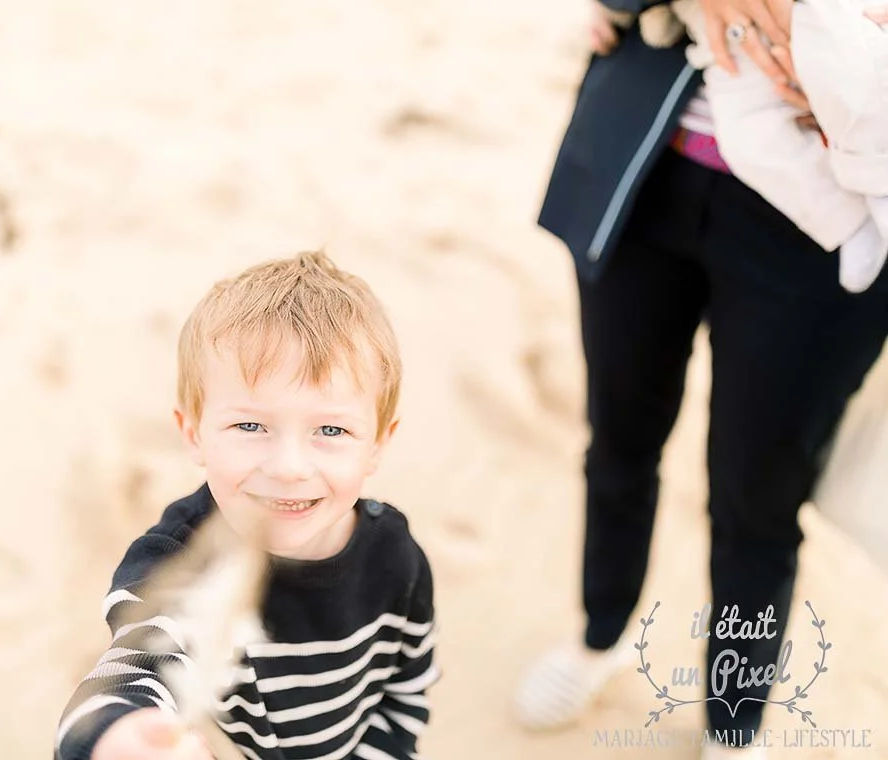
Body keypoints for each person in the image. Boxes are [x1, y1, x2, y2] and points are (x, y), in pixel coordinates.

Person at [513, 0, 888, 757]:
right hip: (646, 164)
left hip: (832, 216)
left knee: (760, 498)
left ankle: (734, 720)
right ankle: (601, 635)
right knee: (619, 440)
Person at [54, 251, 439, 760]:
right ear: (194, 433)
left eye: (330, 429)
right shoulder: (181, 560)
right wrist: (118, 736)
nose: (289, 467)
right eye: (250, 425)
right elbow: (133, 670)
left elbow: (405, 689)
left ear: (377, 445)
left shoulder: (396, 556)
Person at [610, 0, 888, 293]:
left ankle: (880, 187)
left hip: (822, 18)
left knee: (854, 93)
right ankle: (847, 221)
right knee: (746, 141)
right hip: (723, 63)